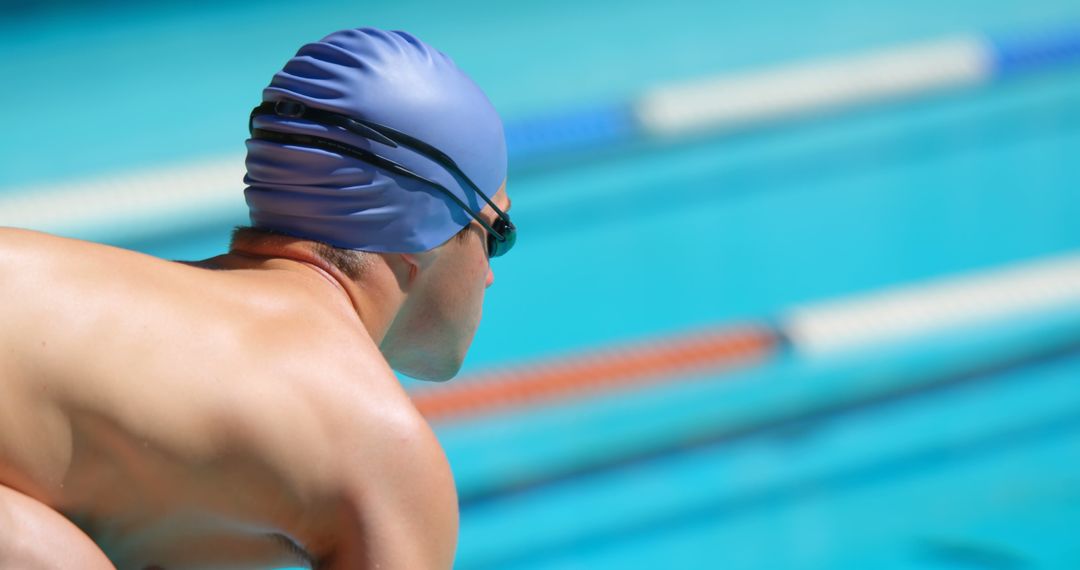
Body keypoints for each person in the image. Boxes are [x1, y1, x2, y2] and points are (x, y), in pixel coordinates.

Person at [0, 27, 513, 569]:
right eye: (498, 235)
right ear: (423, 231)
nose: (489, 277)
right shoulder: (384, 449)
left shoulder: (136, 307)